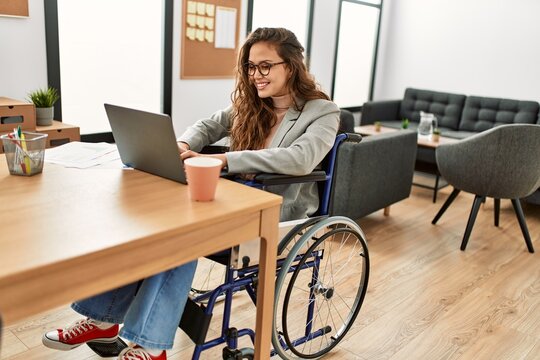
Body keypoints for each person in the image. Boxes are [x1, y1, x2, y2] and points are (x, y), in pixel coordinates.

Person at [42, 27, 339, 359]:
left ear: (292, 64)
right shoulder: (253, 104)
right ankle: (103, 319)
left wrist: (223, 158)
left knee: (183, 233)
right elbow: (207, 126)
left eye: (265, 66)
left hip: (276, 214)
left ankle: (151, 346)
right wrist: (182, 145)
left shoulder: (322, 111)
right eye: (251, 67)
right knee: (150, 220)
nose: (255, 75)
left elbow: (300, 158)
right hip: (232, 199)